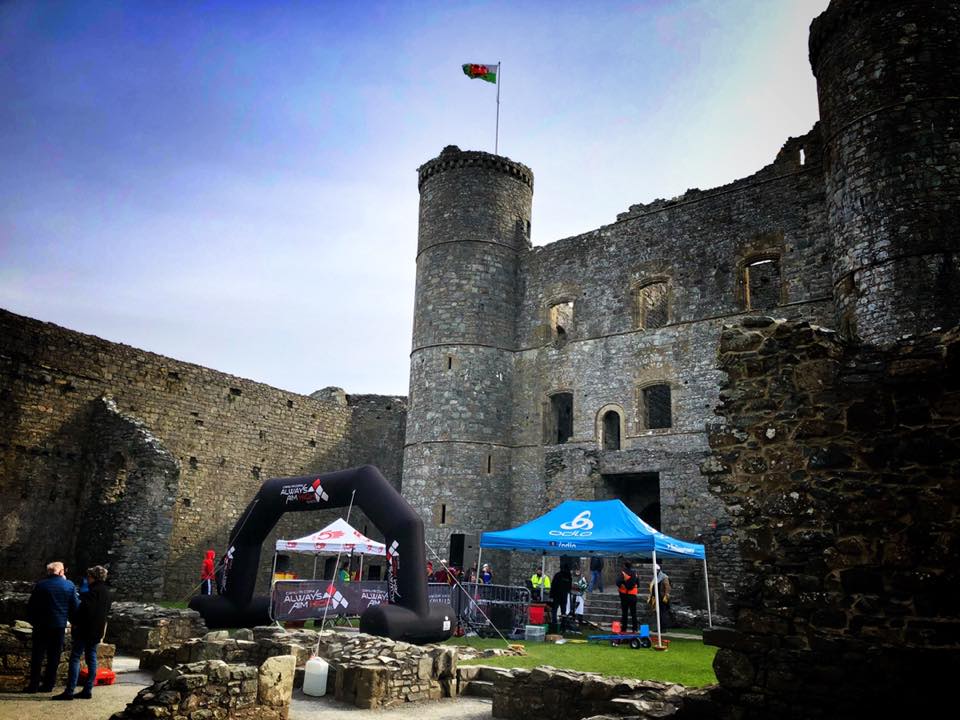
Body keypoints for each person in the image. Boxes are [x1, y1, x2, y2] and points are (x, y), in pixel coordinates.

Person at [53, 566, 112, 701]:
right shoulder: (107, 592)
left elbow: (83, 612)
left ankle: (69, 691)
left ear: (93, 577)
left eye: (89, 577)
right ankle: (88, 689)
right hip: (97, 630)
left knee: (75, 658)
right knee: (91, 658)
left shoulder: (92, 592)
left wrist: (74, 622)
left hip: (84, 630)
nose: (88, 579)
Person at [26, 561, 79, 693]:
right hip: (59, 625)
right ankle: (48, 685)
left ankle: (33, 685)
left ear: (48, 572)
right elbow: (74, 606)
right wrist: (73, 622)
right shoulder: (69, 585)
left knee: (37, 656)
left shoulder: (41, 585)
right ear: (61, 572)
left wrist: (33, 621)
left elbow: (31, 606)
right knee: (54, 656)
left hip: (41, 625)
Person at [616, 561, 640, 634]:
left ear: (625, 566)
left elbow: (618, 582)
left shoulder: (623, 573)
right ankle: (635, 629)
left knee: (625, 613)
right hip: (633, 596)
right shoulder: (635, 574)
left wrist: (623, 585)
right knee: (634, 613)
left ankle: (624, 629)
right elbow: (638, 584)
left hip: (625, 596)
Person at [647, 564, 672, 629]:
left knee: (662, 613)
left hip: (662, 598)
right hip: (656, 598)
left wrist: (666, 596)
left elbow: (667, 588)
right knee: (658, 613)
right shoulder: (656, 577)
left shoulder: (664, 577)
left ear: (658, 570)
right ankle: (659, 628)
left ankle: (663, 628)